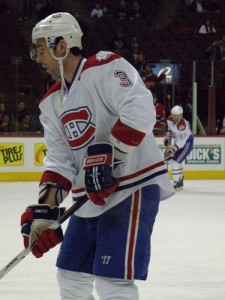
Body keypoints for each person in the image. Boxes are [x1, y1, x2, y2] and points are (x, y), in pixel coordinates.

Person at [20, 12, 174, 300]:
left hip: (131, 187)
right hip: (89, 197)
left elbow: (139, 108)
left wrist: (111, 156)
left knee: (112, 284)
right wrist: (45, 209)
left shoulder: (105, 66)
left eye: (40, 50)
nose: (36, 58)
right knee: (70, 278)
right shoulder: (51, 102)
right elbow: (60, 161)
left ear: (62, 46)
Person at [164, 105, 194, 191]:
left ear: (180, 115)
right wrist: (167, 138)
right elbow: (170, 130)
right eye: (173, 115)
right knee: (176, 162)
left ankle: (176, 183)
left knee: (176, 161)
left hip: (187, 142)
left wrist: (172, 150)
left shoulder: (182, 125)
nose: (174, 117)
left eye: (176, 116)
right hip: (179, 142)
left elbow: (182, 142)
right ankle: (179, 181)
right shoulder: (169, 119)